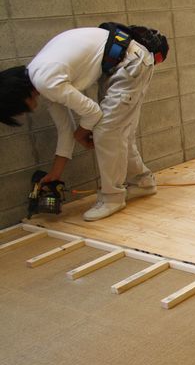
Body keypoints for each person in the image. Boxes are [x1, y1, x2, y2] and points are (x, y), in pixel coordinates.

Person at [0, 24, 167, 221]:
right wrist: (55, 173)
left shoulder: (46, 82)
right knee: (119, 133)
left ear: (15, 99)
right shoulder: (41, 77)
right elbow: (65, 130)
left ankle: (112, 198)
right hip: (121, 63)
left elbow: (93, 113)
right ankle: (143, 183)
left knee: (106, 132)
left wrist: (81, 133)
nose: (23, 113)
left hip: (130, 63)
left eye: (16, 111)